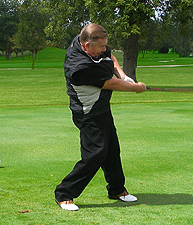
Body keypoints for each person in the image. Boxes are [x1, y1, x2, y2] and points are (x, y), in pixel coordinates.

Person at [54, 23, 146, 211]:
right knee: (96, 153)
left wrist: (123, 75)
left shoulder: (89, 43)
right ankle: (64, 193)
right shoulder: (79, 67)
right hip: (87, 112)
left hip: (101, 107)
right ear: (87, 46)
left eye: (105, 45)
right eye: (101, 46)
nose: (104, 49)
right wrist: (135, 88)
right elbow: (110, 84)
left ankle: (117, 190)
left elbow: (109, 58)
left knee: (112, 149)